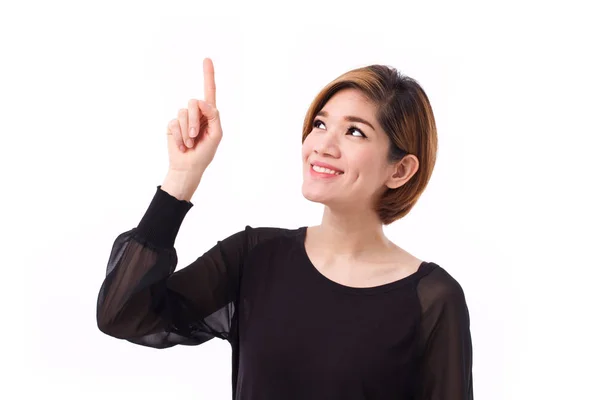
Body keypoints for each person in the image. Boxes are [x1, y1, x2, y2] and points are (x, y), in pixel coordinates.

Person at [96, 58, 474, 399]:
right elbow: (124, 314)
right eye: (320, 124)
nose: (323, 145)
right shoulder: (255, 256)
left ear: (401, 170)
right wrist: (182, 177)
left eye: (355, 132)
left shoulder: (432, 300)